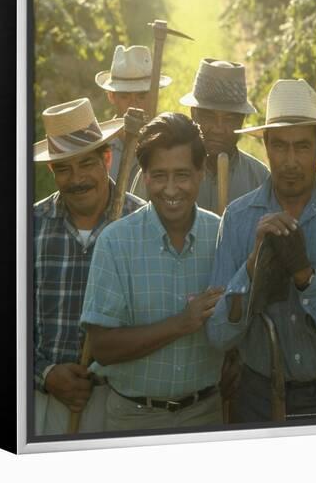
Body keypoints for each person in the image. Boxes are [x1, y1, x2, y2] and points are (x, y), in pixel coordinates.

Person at [80, 113, 225, 431]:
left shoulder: (221, 236)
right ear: (143, 176)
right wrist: (182, 323)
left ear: (201, 173)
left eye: (182, 175)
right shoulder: (116, 243)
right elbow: (102, 349)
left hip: (206, 415)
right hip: (132, 418)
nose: (171, 189)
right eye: (159, 175)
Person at [207, 79, 316, 422]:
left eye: (302, 147)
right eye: (279, 146)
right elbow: (218, 335)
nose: (290, 161)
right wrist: (252, 264)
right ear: (266, 148)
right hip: (258, 396)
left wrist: (305, 277)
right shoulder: (239, 219)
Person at [33, 97, 144, 435]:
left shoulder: (139, 224)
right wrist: (45, 373)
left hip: (121, 399)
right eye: (64, 168)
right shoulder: (29, 226)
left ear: (107, 159)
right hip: (44, 401)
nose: (77, 179)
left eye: (86, 164)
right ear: (52, 171)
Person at [131, 58, 269, 213]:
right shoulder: (157, 172)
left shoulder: (259, 179)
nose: (218, 128)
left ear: (242, 121)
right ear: (193, 114)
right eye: (209, 116)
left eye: (230, 119)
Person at [96, 44, 171, 190]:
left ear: (153, 96)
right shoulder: (98, 146)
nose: (134, 104)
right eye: (125, 97)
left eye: (141, 96)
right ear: (111, 96)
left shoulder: (168, 143)